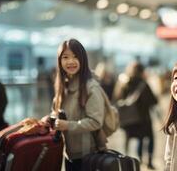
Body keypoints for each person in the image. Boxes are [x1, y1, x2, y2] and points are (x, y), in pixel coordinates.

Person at [41, 39, 106, 171]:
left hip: (88, 155)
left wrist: (67, 125)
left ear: (83, 59)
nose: (70, 61)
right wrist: (50, 118)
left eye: (75, 57)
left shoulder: (91, 87)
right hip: (69, 154)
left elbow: (96, 122)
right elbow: (57, 111)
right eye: (65, 57)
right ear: (59, 61)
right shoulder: (62, 85)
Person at [113, 61, 158, 170]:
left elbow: (116, 98)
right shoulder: (143, 83)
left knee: (133, 139)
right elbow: (153, 101)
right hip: (144, 118)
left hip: (129, 119)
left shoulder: (123, 82)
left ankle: (130, 160)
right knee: (149, 138)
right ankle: (148, 161)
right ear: (142, 71)